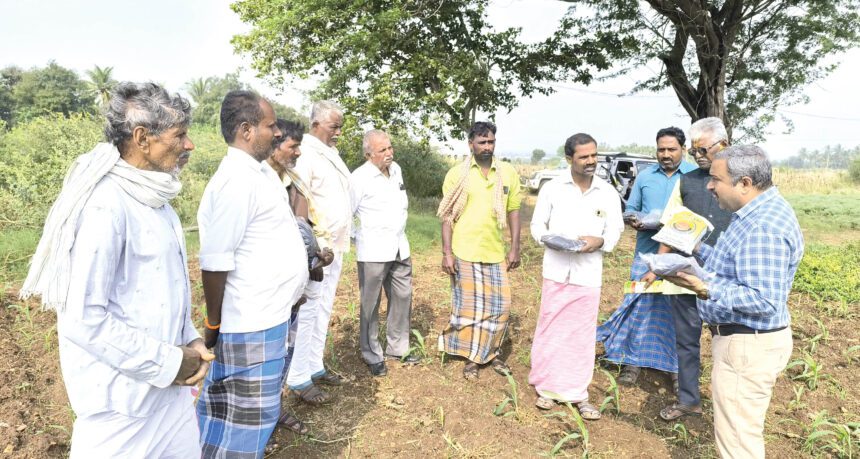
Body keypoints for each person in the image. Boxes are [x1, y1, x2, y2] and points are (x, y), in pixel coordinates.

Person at [20, 82, 211, 457]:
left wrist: (189, 339)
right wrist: (170, 362)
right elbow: (83, 319)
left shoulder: (158, 201)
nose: (189, 145)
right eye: (180, 135)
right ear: (142, 138)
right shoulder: (105, 207)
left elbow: (167, 289)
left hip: (168, 399)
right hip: (122, 408)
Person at [662, 145, 803, 459]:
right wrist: (696, 248)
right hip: (746, 342)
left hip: (747, 348)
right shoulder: (754, 213)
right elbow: (737, 268)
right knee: (739, 436)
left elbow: (764, 299)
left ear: (745, 183)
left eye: (716, 179)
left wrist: (704, 287)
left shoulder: (762, 227)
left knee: (739, 445)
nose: (710, 186)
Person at [196, 91, 309, 457]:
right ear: (246, 130)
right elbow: (215, 262)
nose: (277, 133)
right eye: (270, 125)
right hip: (249, 323)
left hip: (269, 316)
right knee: (238, 428)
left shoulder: (258, 172)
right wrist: (213, 325)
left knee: (253, 422)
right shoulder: (235, 181)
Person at [529, 133, 623, 420]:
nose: (591, 161)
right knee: (551, 328)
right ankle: (547, 389)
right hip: (557, 270)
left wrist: (600, 242)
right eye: (584, 157)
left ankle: (578, 393)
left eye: (594, 155)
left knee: (581, 335)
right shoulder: (554, 188)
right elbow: (537, 224)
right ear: (569, 159)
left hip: (588, 274)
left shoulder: (606, 192)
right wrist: (548, 239)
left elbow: (615, 230)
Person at [597, 127, 695, 387]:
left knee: (677, 311)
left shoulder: (694, 178)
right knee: (639, 305)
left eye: (671, 149)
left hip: (681, 255)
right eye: (661, 149)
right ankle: (632, 363)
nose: (665, 154)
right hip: (646, 253)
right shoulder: (644, 176)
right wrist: (635, 220)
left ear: (682, 150)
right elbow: (630, 210)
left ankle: (675, 369)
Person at [650, 118, 732, 421]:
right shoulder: (687, 181)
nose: (697, 155)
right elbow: (672, 224)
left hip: (727, 277)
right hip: (687, 275)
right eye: (694, 150)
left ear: (722, 144)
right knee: (686, 341)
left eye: (702, 149)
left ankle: (729, 405)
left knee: (729, 342)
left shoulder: (743, 182)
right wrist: (659, 263)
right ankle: (689, 400)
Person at [437, 121, 522, 381]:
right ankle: (474, 359)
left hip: (495, 251)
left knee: (500, 306)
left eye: (491, 142)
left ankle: (490, 351)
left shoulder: (507, 173)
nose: (487, 147)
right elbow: (447, 216)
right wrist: (447, 252)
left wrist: (515, 247)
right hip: (464, 249)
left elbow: (513, 211)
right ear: (470, 144)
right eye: (482, 142)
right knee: (470, 308)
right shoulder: (457, 174)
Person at [265, 118, 334, 436]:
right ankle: (266, 413)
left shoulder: (290, 178)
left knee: (290, 342)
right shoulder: (262, 183)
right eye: (292, 147)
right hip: (269, 287)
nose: (297, 153)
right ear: (274, 145)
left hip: (298, 279)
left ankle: (276, 405)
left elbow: (306, 224)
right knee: (270, 351)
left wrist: (320, 251)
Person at [287, 100, 351, 404]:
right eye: (333, 126)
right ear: (316, 125)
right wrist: (311, 249)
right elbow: (298, 202)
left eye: (340, 126)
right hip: (316, 251)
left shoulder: (331, 153)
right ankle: (298, 377)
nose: (338, 132)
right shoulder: (306, 153)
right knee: (309, 311)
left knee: (323, 309)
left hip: (335, 248)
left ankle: (314, 365)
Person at [350, 130, 418, 377]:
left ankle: (398, 348)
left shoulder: (396, 169)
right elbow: (347, 213)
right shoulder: (359, 178)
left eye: (390, 148)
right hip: (373, 251)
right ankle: (371, 354)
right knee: (370, 304)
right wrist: (359, 237)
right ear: (369, 154)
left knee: (402, 296)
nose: (389, 153)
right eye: (383, 150)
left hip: (400, 246)